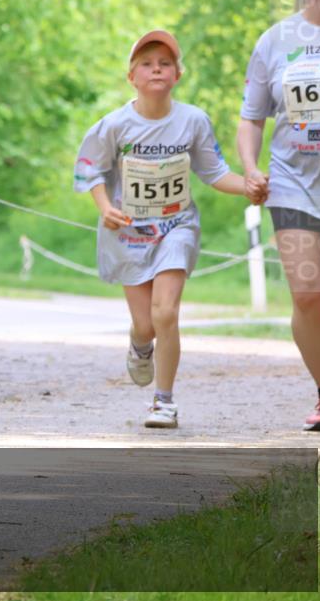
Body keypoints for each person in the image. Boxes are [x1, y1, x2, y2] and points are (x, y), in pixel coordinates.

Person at [74, 30, 253, 429]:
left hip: (177, 226)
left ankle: (164, 401)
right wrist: (105, 208)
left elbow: (215, 172)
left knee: (166, 312)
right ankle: (141, 347)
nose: (156, 69)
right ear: (131, 76)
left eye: (165, 63)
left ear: (177, 74)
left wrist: (250, 186)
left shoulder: (192, 120)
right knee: (146, 324)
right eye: (147, 63)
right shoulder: (114, 125)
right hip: (129, 233)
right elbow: (90, 168)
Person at [239, 0, 320, 431]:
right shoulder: (276, 39)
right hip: (293, 184)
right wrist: (249, 167)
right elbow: (251, 118)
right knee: (306, 294)